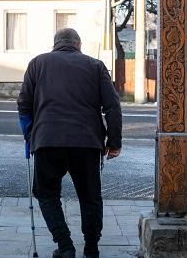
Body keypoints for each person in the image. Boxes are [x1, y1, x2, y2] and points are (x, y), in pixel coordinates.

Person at [17, 28, 122, 258]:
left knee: (46, 193)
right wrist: (114, 142)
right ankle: (91, 247)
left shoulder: (37, 63)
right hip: (86, 143)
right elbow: (112, 106)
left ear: (54, 44)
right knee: (90, 196)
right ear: (79, 45)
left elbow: (24, 105)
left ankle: (65, 245)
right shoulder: (95, 66)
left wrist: (29, 135)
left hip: (47, 142)